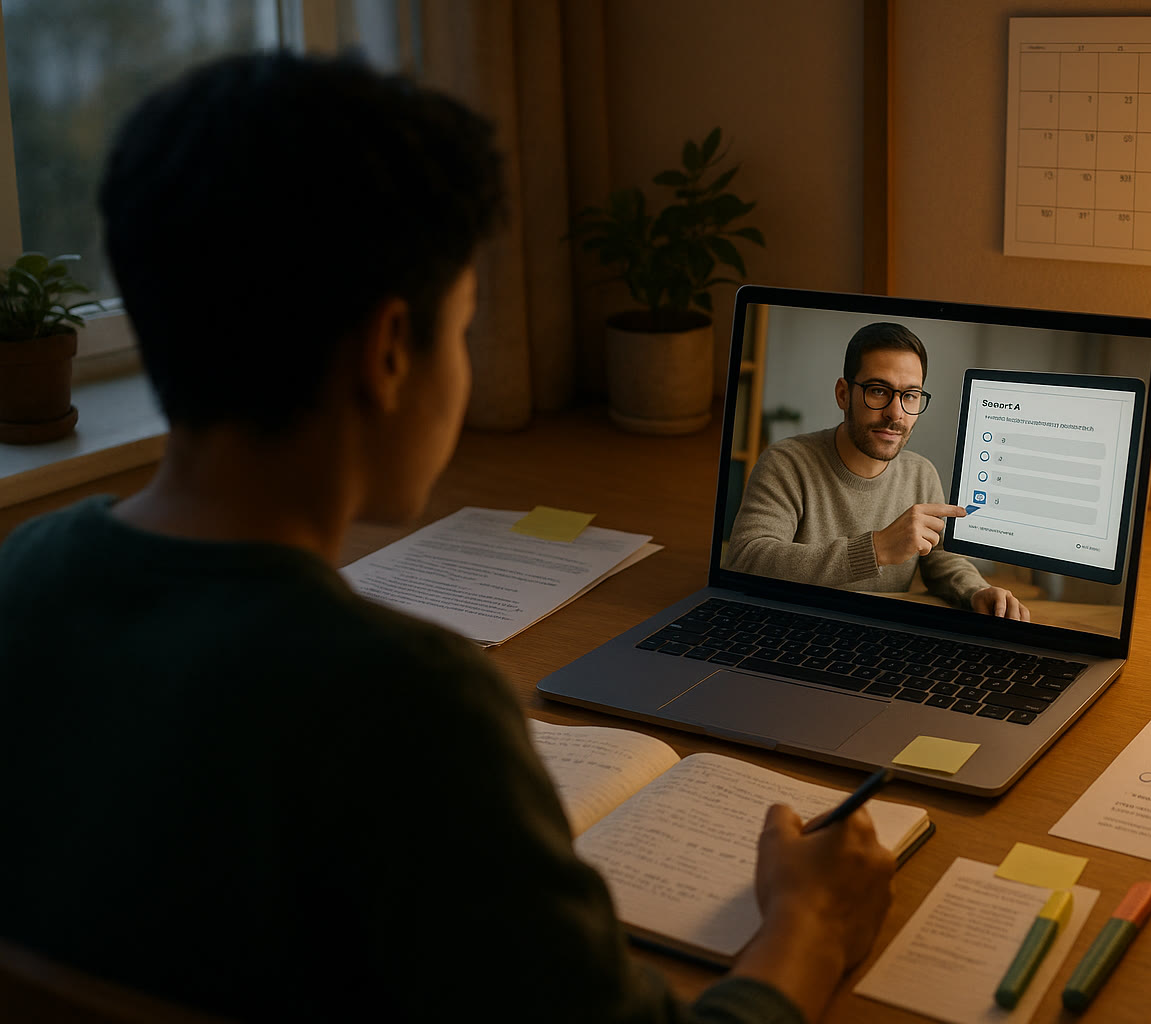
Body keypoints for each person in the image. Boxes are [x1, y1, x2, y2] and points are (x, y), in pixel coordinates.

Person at [0, 52, 891, 1023]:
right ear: (389, 351)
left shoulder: (24, 574)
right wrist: (808, 922)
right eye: (464, 330)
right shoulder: (410, 709)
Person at [726, 323, 1028, 620]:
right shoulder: (786, 463)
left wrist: (976, 591)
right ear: (843, 394)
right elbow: (746, 559)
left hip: (883, 632)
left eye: (910, 395)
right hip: (797, 626)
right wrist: (874, 549)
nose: (896, 413)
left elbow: (941, 560)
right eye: (879, 391)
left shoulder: (921, 474)